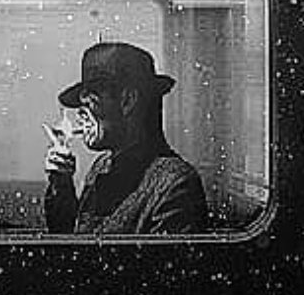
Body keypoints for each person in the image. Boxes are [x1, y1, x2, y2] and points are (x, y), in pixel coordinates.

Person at [43, 42, 208, 234]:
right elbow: (69, 239)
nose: (80, 113)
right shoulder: (101, 167)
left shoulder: (176, 184)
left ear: (128, 100)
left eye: (91, 99)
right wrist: (61, 182)